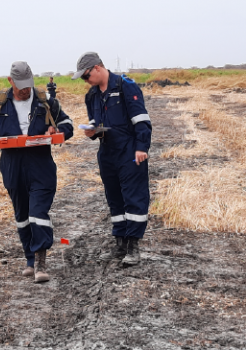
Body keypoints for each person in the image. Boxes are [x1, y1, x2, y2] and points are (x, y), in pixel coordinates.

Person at [0, 61, 74, 282]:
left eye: (28, 85)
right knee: (22, 216)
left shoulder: (44, 101)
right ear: (11, 81)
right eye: (21, 87)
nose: (26, 90)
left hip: (41, 166)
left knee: (38, 213)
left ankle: (40, 261)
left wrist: (58, 130)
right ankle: (29, 258)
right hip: (12, 166)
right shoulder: (0, 102)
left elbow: (67, 124)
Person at [72, 52, 151, 265]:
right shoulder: (92, 96)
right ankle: (120, 244)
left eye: (86, 76)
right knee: (114, 198)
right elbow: (97, 125)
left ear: (97, 68)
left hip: (129, 151)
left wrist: (141, 147)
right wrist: (93, 132)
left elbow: (142, 120)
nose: (85, 81)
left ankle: (133, 247)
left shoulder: (126, 86)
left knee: (133, 197)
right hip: (107, 153)